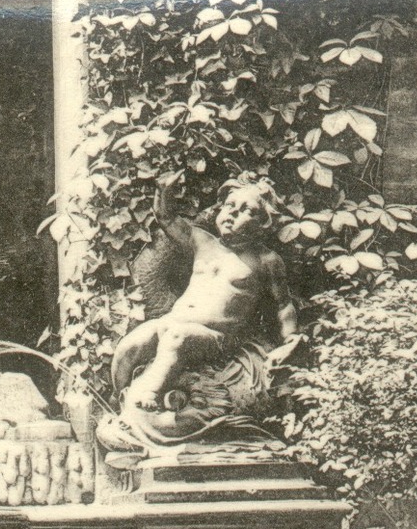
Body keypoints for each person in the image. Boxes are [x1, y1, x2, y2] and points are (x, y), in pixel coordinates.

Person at [110, 175, 299, 412]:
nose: (232, 214)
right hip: (170, 322)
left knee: (177, 338)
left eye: (246, 211)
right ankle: (118, 402)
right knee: (131, 345)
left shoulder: (266, 260)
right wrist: (163, 191)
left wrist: (290, 340)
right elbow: (167, 218)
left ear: (262, 222)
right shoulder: (202, 241)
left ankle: (151, 392)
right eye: (230, 205)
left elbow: (283, 306)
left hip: (217, 337)